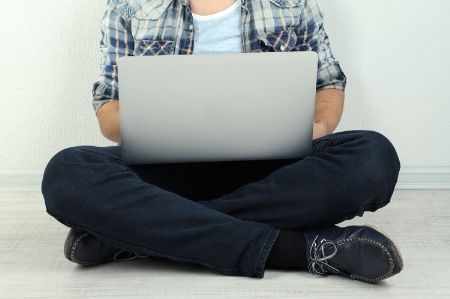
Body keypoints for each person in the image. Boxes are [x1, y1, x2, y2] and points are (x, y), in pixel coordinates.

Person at [42, 0, 403, 282]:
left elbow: (328, 83)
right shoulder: (129, 6)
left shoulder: (292, 3)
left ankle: (140, 230)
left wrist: (317, 127)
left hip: (277, 170)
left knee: (373, 157)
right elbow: (109, 104)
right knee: (67, 173)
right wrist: (161, 127)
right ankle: (295, 249)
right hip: (169, 167)